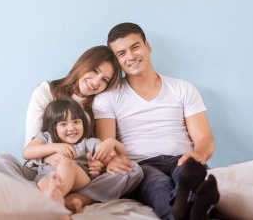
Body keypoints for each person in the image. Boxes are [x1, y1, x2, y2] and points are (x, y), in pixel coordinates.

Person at [0, 45, 143, 211]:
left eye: (105, 80)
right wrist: (52, 155)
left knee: (133, 170)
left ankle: (70, 198)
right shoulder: (47, 91)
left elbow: (98, 151)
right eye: (95, 71)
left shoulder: (98, 106)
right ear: (82, 65)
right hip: (40, 169)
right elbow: (30, 147)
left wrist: (103, 163)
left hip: (77, 173)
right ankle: (42, 194)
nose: (96, 82)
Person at [92, 23, 220, 220]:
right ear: (116, 60)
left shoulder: (183, 88)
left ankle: (186, 200)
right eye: (121, 53)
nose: (131, 57)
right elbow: (105, 144)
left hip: (182, 159)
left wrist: (198, 155)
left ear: (147, 46)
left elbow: (204, 137)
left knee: (187, 173)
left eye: (135, 47)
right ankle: (191, 208)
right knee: (158, 185)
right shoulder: (107, 98)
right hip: (142, 166)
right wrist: (112, 161)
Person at [23, 98, 127, 212]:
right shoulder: (47, 137)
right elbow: (27, 152)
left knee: (67, 162)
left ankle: (55, 196)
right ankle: (59, 207)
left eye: (76, 122)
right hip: (47, 177)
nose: (71, 128)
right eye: (63, 124)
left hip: (78, 178)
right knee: (42, 186)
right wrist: (55, 147)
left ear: (83, 122)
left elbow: (118, 158)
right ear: (53, 127)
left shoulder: (89, 143)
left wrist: (112, 144)